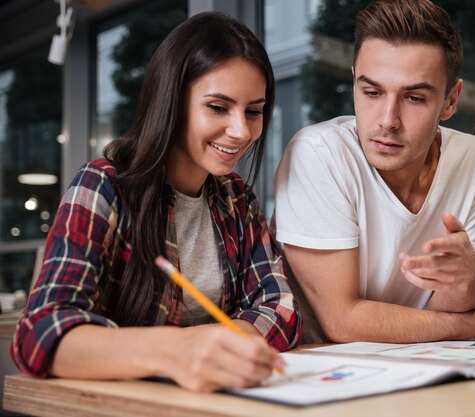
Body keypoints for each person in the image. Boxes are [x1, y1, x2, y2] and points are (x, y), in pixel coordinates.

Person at [11, 12, 301, 392]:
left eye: (254, 111)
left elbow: (279, 306)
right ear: (171, 101)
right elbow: (40, 333)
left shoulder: (236, 198)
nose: (241, 131)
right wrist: (177, 350)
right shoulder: (103, 185)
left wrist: (231, 344)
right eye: (217, 107)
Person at [272, 0, 475, 343]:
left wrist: (464, 280)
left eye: (414, 98)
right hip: (324, 371)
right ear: (354, 85)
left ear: (451, 100)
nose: (387, 121)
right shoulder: (319, 154)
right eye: (372, 92)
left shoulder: (472, 158)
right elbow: (342, 322)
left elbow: (456, 309)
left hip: (419, 362)